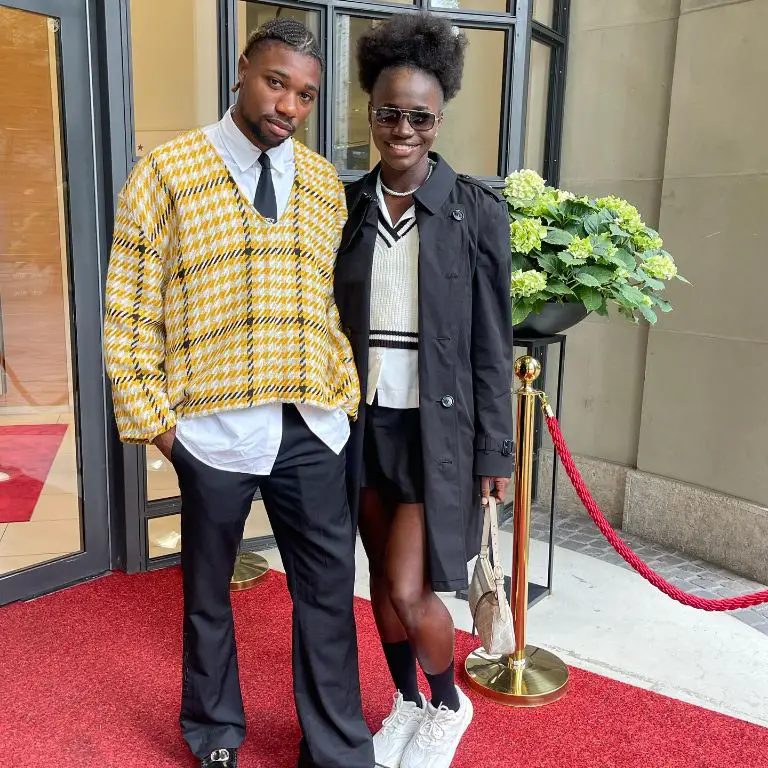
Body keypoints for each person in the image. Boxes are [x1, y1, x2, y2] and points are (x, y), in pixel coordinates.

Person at [103, 19, 374, 768]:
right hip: (211, 431)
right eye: (276, 81)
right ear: (242, 72)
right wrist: (159, 428)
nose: (288, 104)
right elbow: (128, 310)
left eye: (306, 94)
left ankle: (337, 750)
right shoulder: (168, 171)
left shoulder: (323, 185)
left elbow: (332, 305)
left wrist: (342, 396)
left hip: (311, 427)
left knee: (327, 598)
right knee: (208, 597)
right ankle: (215, 731)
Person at [334, 13, 514, 768]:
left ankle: (447, 705)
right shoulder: (344, 207)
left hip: (436, 431)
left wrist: (496, 450)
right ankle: (406, 700)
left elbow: (492, 342)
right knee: (377, 583)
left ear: (438, 120)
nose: (401, 128)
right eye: (387, 112)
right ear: (369, 111)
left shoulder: (476, 212)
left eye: (418, 116)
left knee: (412, 591)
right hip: (361, 424)